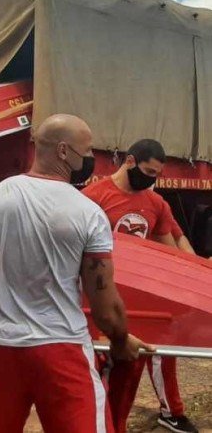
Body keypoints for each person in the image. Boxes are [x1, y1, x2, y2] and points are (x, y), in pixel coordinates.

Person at [0, 114, 152, 433]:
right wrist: (120, 340)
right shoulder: (87, 212)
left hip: (1, 347)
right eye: (87, 151)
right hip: (62, 349)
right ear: (64, 151)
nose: (90, 158)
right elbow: (104, 305)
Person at [82, 139, 199, 433]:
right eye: (148, 172)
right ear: (130, 161)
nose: (151, 179)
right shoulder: (93, 197)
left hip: (138, 301)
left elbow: (171, 249)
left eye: (156, 175)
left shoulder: (155, 203)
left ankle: (122, 425)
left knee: (133, 370)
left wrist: (197, 273)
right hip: (101, 297)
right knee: (99, 373)